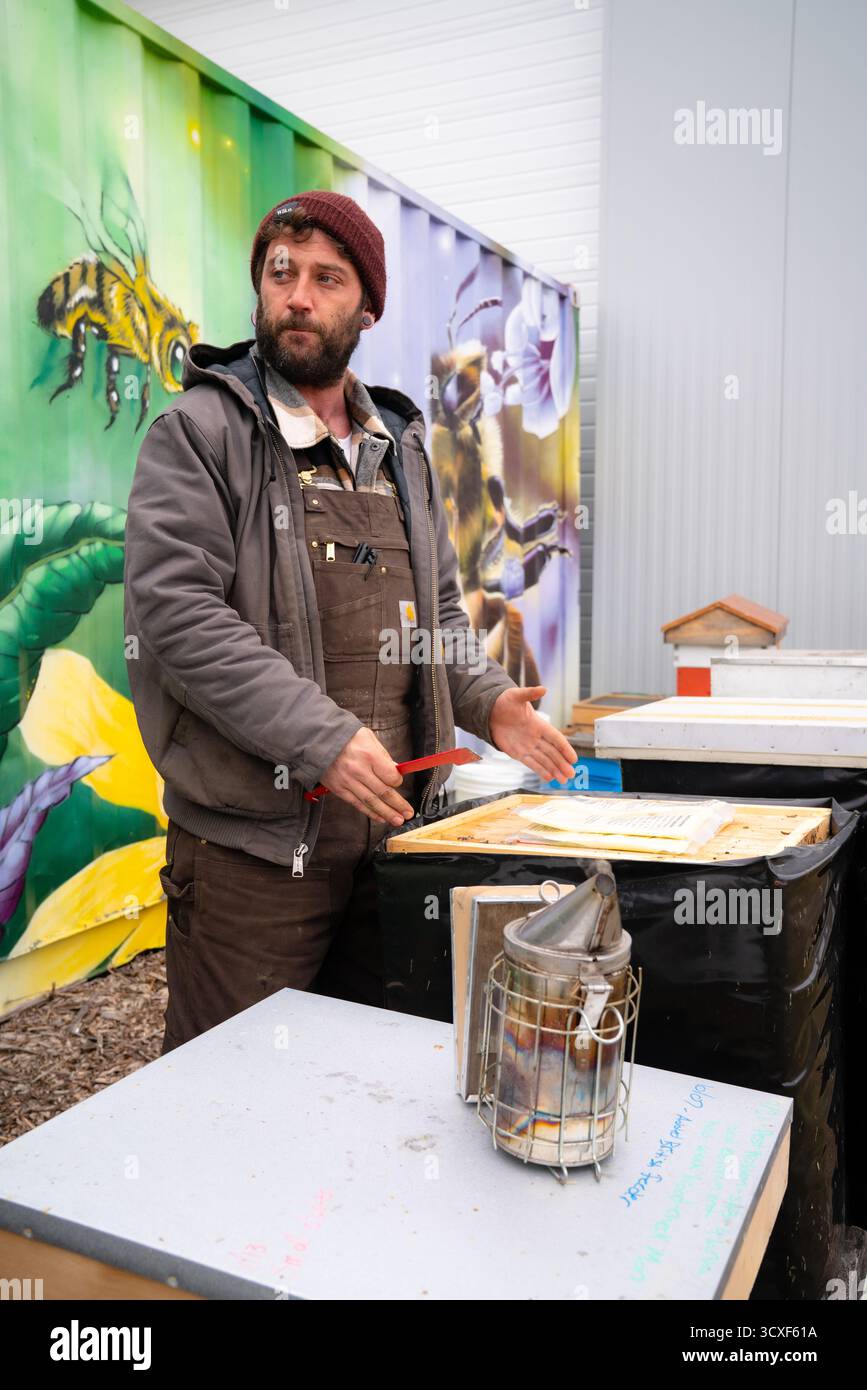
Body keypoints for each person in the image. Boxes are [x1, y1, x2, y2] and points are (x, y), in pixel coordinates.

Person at [123, 190, 576, 1053]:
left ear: (366, 306)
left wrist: (487, 700)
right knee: (234, 1092)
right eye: (280, 273)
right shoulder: (201, 432)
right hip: (256, 854)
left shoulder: (398, 445)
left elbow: (435, 612)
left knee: (363, 1083)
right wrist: (321, 738)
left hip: (392, 840)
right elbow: (178, 619)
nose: (297, 295)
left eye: (327, 279)